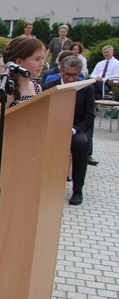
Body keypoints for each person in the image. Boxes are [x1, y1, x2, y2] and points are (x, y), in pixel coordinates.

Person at [42, 55, 96, 206]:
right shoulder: (49, 87)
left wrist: (72, 130)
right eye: (68, 75)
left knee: (81, 143)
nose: (71, 79)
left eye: (75, 75)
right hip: (53, 127)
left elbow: (89, 118)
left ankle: (77, 190)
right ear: (61, 72)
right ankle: (47, 186)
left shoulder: (87, 89)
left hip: (77, 129)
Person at [2, 36, 46, 109]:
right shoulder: (8, 92)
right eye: (37, 59)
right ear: (19, 62)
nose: (42, 64)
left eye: (43, 58)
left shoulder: (37, 88)